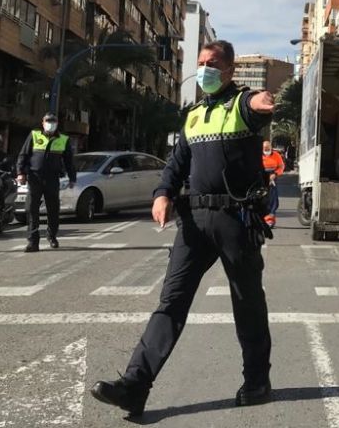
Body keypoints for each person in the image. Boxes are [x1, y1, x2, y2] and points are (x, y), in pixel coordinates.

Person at [90, 40, 276, 417]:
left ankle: (257, 381)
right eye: (201, 62)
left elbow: (259, 105)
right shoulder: (192, 116)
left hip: (235, 220)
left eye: (212, 63)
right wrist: (162, 194)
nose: (205, 69)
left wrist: (261, 101)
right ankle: (134, 387)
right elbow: (177, 164)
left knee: (247, 302)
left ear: (229, 70)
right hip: (194, 220)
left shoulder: (241, 103)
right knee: (170, 303)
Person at [16, 113, 75, 252]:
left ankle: (52, 235)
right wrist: (20, 173)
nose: (50, 123)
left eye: (53, 121)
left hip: (52, 178)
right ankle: (32, 241)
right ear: (42, 123)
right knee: (32, 209)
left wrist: (72, 178)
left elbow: (69, 161)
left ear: (57, 123)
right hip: (34, 177)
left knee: (53, 209)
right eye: (48, 121)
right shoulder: (34, 135)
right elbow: (23, 155)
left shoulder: (63, 139)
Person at [261, 140, 285, 227]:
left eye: (268, 148)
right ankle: (264, 219)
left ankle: (270, 220)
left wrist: (275, 174)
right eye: (265, 148)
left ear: (271, 147)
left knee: (273, 200)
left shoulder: (276, 155)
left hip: (273, 178)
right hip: (262, 179)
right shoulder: (258, 156)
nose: (266, 150)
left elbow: (281, 167)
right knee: (262, 199)